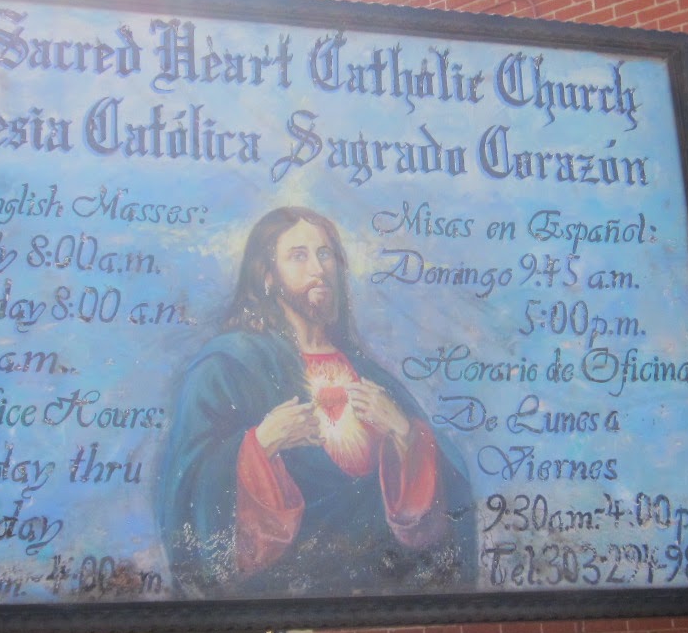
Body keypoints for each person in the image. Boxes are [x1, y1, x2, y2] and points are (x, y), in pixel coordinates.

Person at [157, 206, 472, 596]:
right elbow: (185, 486)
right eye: (298, 255)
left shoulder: (369, 375)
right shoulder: (229, 367)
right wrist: (258, 446)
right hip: (278, 592)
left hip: (373, 589)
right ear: (267, 276)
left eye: (325, 254)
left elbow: (450, 498)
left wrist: (405, 435)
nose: (318, 268)